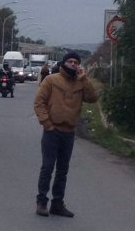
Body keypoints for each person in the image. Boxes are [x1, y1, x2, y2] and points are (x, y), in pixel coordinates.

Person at [34, 52, 98, 218]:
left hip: (68, 133)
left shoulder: (80, 83)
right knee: (47, 167)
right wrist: (47, 123)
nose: (73, 64)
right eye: (70, 61)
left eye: (76, 62)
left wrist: (84, 79)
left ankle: (57, 204)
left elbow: (92, 98)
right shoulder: (51, 80)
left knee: (63, 170)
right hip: (52, 131)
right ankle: (41, 202)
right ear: (63, 63)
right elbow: (39, 103)